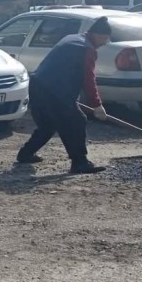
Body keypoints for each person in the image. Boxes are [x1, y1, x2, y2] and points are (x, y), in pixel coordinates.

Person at [16, 16, 112, 174]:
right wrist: (97, 105)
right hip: (55, 91)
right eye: (104, 39)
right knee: (76, 122)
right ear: (98, 35)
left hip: (38, 84)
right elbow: (88, 78)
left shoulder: (72, 38)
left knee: (48, 124)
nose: (104, 43)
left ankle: (25, 154)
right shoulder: (87, 49)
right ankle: (80, 162)